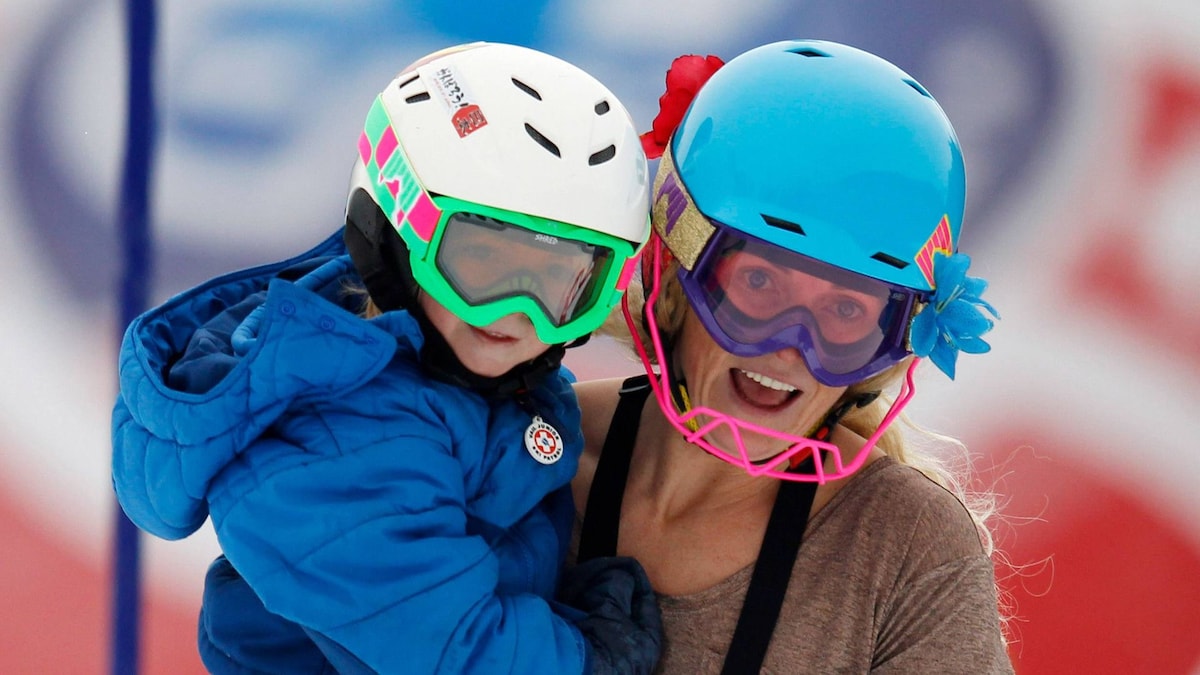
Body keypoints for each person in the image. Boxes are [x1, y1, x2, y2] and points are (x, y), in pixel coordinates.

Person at [111, 42, 662, 674]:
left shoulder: (464, 378)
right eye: (482, 262)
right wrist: (591, 661)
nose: (517, 314)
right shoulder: (336, 431)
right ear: (393, 234)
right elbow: (446, 649)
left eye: (561, 285)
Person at [570, 40, 1012, 673]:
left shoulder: (906, 551)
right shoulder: (532, 451)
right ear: (674, 269)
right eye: (758, 284)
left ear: (892, 342)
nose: (791, 346)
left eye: (847, 312)